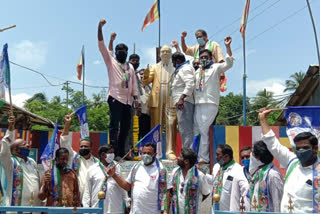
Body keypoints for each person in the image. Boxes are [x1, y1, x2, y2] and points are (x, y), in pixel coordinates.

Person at [259, 107, 320, 213]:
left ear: (315, 149)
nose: (301, 151)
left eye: (305, 148)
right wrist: (263, 119)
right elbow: (272, 143)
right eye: (298, 148)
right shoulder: (292, 162)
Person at [98, 19, 139, 158]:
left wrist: (136, 99)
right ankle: (113, 152)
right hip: (115, 98)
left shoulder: (130, 67)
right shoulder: (111, 61)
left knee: (126, 128)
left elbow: (133, 84)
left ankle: (121, 152)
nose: (121, 52)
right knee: (114, 127)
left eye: (124, 50)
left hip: (128, 102)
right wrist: (100, 28)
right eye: (119, 50)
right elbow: (102, 46)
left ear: (127, 53)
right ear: (115, 52)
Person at [194, 36, 234, 163]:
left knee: (204, 130)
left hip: (210, 103)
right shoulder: (197, 72)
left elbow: (229, 63)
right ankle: (195, 155)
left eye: (206, 57)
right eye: (201, 57)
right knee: (196, 130)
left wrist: (227, 47)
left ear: (211, 58)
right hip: (198, 103)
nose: (204, 59)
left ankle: (203, 158)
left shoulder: (216, 67)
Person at [107, 143, 169, 214]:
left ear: (155, 154)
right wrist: (114, 175)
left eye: (149, 153)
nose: (146, 155)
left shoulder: (161, 169)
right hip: (136, 211)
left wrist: (165, 211)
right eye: (144, 153)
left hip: (152, 211)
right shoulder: (136, 167)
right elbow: (127, 186)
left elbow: (166, 192)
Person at [142, 45, 177, 159]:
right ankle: (155, 150)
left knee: (171, 125)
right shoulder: (154, 67)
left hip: (171, 99)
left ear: (171, 54)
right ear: (159, 54)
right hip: (157, 99)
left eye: (168, 51)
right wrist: (146, 75)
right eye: (163, 52)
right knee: (156, 126)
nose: (165, 53)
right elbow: (146, 82)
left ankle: (170, 150)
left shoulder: (175, 67)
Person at [0, 115, 41, 206]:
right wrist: (10, 129)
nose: (28, 146)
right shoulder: (10, 162)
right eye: (24, 144)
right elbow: (5, 148)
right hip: (17, 206)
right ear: (16, 149)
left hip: (34, 207)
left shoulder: (32, 162)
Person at [60, 114, 99, 200]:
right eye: (81, 146)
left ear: (91, 148)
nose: (83, 148)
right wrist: (67, 124)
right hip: (75, 198)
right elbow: (64, 141)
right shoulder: (73, 157)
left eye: (86, 146)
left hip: (93, 198)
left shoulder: (97, 163)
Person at [82, 144, 128, 213]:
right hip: (98, 208)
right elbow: (87, 191)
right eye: (110, 153)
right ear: (103, 155)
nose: (113, 155)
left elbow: (123, 187)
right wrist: (86, 209)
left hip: (115, 209)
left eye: (113, 152)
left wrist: (127, 203)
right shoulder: (92, 169)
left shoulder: (117, 167)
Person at [168, 147, 210, 213]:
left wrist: (194, 202)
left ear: (186, 161)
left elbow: (206, 193)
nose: (177, 158)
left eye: (180, 156)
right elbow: (170, 191)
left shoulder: (199, 175)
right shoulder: (175, 172)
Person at [246, 141, 283, 212]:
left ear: (258, 158)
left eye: (253, 154)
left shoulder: (273, 175)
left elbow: (277, 204)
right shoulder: (257, 174)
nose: (250, 157)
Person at [209, 144, 247, 212]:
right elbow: (213, 180)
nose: (216, 157)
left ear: (226, 156)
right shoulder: (216, 167)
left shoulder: (238, 170)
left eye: (218, 155)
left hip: (229, 211)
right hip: (215, 210)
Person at [170, 52, 195, 148]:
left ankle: (187, 153)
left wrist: (182, 98)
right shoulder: (181, 69)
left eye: (173, 62)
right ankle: (187, 151)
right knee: (183, 128)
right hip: (182, 102)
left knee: (186, 129)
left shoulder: (185, 68)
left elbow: (190, 84)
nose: (172, 65)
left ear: (177, 61)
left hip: (185, 102)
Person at [137, 68, 151, 139]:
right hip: (138, 114)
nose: (143, 76)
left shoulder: (149, 88)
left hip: (148, 115)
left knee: (147, 135)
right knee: (138, 134)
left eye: (145, 74)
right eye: (141, 74)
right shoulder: (135, 86)